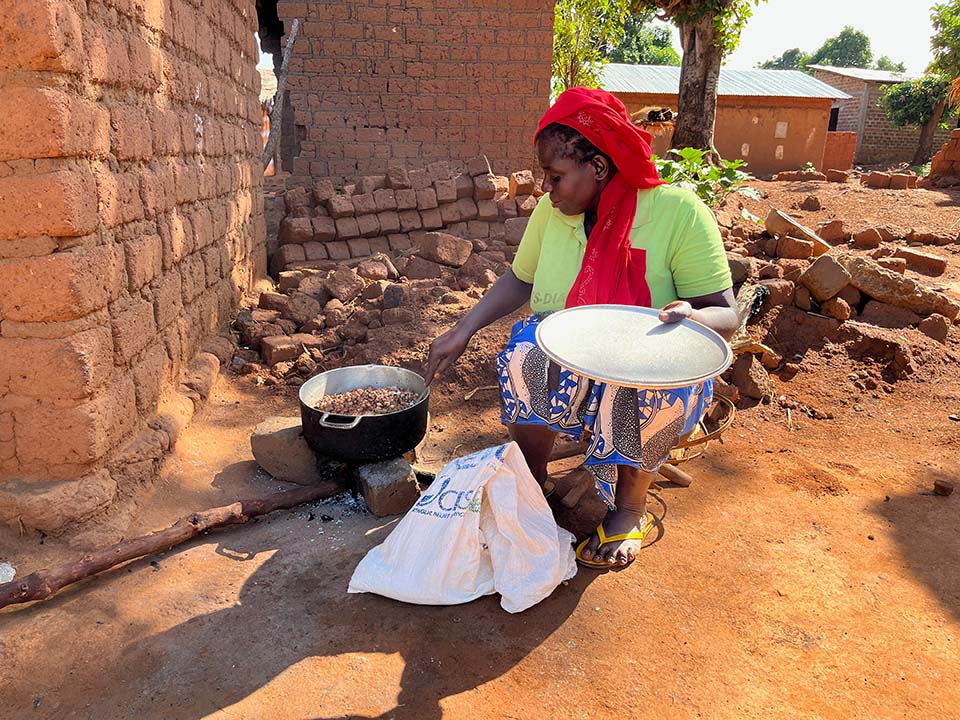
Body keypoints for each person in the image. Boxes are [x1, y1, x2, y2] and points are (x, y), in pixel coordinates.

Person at [425, 87, 738, 569]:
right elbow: (520, 279)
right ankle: (530, 482)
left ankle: (629, 507)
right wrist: (463, 329)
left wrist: (692, 316)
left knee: (639, 387)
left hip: (648, 354)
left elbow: (725, 315)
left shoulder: (678, 212)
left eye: (555, 177)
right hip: (570, 350)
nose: (547, 190)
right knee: (527, 354)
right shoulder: (553, 214)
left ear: (597, 167)